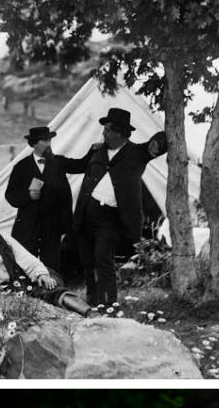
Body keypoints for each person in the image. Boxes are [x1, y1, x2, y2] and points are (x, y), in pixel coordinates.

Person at [58, 107, 167, 308]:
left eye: (107, 129)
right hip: (85, 213)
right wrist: (51, 159)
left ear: (119, 132)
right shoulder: (97, 151)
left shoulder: (137, 153)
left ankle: (109, 305)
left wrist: (156, 143)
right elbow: (78, 165)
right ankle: (92, 305)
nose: (104, 133)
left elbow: (165, 138)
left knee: (103, 259)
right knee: (88, 262)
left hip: (110, 219)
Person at [0, 215, 89, 313]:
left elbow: (24, 256)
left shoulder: (1, 240)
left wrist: (41, 273)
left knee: (50, 288)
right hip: (3, 294)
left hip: (22, 280)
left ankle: (89, 312)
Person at [4, 125, 75, 273]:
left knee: (52, 264)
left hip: (52, 225)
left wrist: (95, 149)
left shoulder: (58, 162)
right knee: (26, 263)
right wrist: (27, 196)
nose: (49, 144)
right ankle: (30, 293)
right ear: (34, 143)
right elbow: (10, 195)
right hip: (28, 225)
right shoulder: (21, 167)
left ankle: (52, 292)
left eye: (50, 140)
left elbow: (80, 165)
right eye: (44, 141)